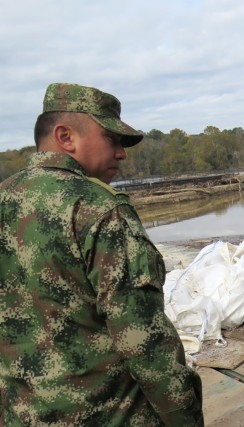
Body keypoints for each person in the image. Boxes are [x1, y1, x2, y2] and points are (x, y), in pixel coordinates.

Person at [0, 83, 204, 426]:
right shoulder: (99, 209)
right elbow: (145, 342)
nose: (122, 153)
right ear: (66, 137)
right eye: (113, 140)